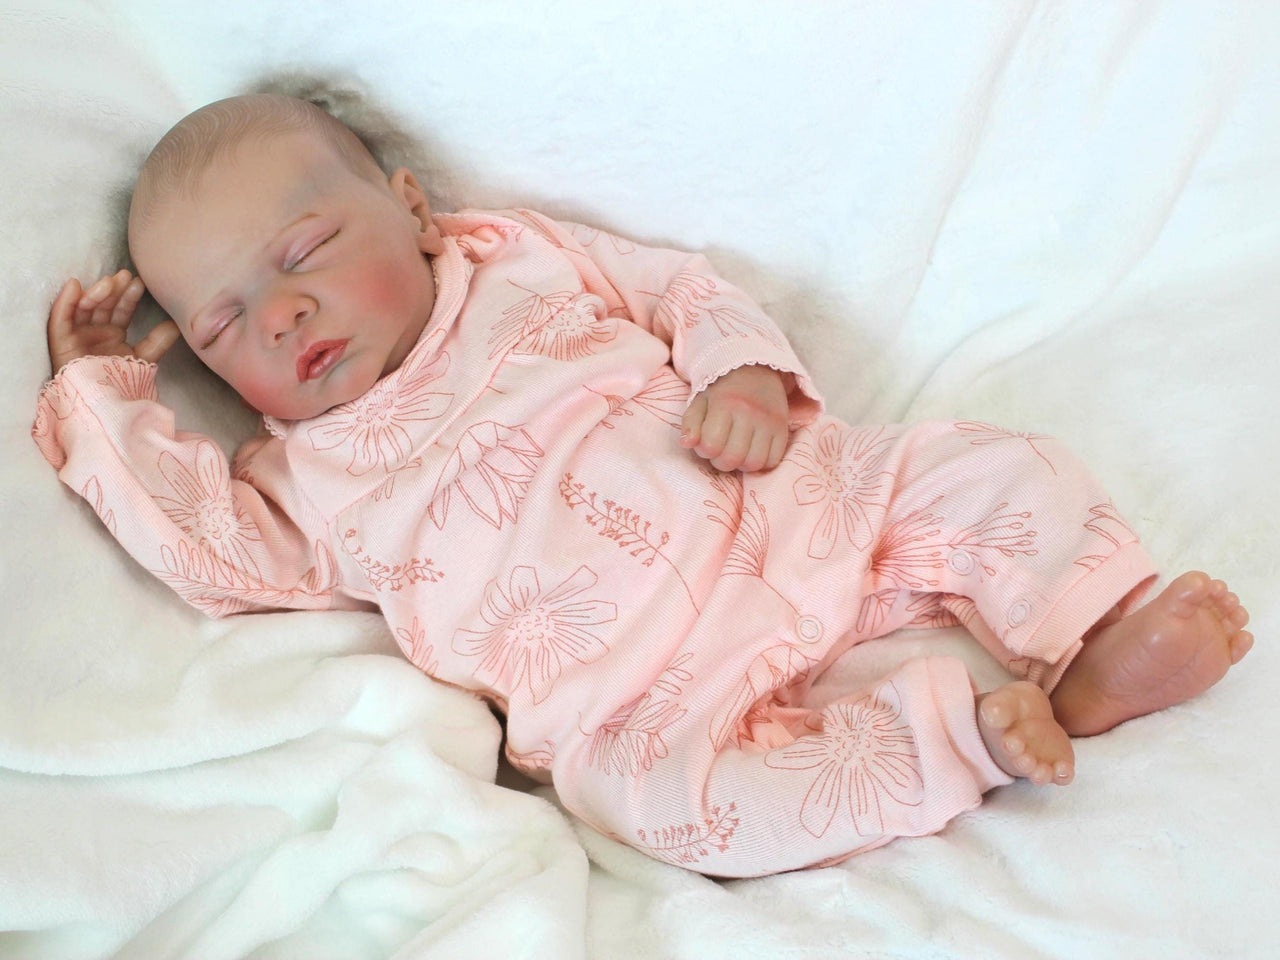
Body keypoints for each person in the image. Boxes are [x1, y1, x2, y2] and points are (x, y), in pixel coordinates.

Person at [34, 93, 1252, 877]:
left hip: (788, 504)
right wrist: (103, 396)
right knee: (675, 814)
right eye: (225, 321)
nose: (283, 311)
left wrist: (748, 380)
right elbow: (205, 550)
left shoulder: (511, 259)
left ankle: (1087, 633)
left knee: (984, 469)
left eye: (302, 254)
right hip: (636, 694)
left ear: (410, 209)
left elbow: (680, 290)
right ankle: (950, 741)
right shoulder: (301, 477)